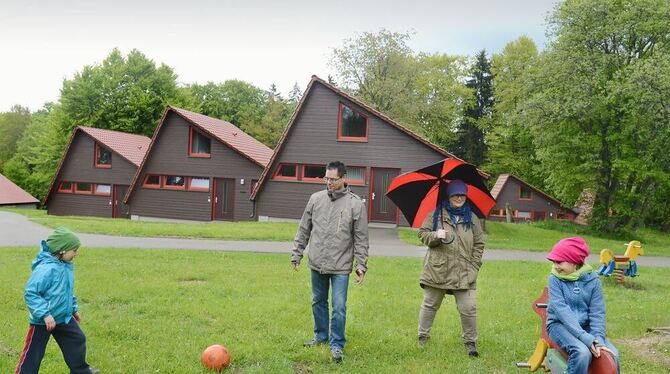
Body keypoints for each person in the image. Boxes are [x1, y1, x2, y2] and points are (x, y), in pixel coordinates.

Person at [291, 161, 369, 363]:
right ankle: (321, 336)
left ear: (344, 178)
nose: (329, 182)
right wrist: (297, 253)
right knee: (318, 301)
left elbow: (361, 239)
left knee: (339, 306)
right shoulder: (315, 199)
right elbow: (304, 229)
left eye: (333, 179)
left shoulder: (355, 204)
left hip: (341, 266)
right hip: (317, 261)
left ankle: (336, 345)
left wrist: (361, 265)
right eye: (326, 178)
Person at [15, 227, 99, 374]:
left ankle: (81, 371)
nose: (76, 254)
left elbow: (66, 291)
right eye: (74, 250)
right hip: (42, 321)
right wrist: (45, 315)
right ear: (62, 251)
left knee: (77, 339)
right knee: (34, 354)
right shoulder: (46, 269)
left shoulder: (65, 266)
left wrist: (73, 308)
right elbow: (31, 293)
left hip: (62, 317)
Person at [417, 179, 486, 356]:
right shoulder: (436, 214)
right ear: (449, 195)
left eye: (462, 194)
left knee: (469, 308)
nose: (459, 198)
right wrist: (435, 235)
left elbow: (479, 244)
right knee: (430, 305)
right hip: (437, 269)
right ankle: (422, 337)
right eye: (455, 194)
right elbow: (422, 234)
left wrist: (474, 266)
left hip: (464, 271)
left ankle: (470, 343)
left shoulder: (472, 218)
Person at [546, 237, 620, 374]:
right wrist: (586, 338)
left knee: (613, 354)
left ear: (575, 262)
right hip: (559, 325)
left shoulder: (593, 280)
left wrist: (598, 339)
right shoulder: (554, 279)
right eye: (554, 262)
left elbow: (597, 312)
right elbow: (562, 312)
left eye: (559, 262)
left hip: (586, 327)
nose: (555, 266)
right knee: (582, 353)